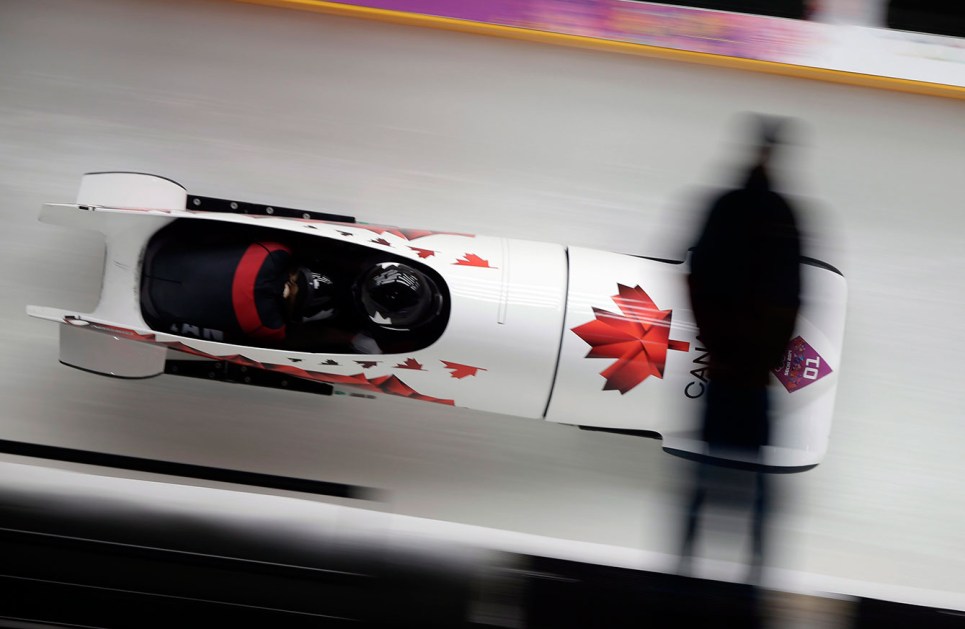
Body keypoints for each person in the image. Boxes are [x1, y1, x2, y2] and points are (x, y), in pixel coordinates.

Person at [678, 114, 802, 584]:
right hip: (751, 377)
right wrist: (766, 355)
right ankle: (753, 576)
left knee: (705, 477)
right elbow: (790, 294)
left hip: (728, 369)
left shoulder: (724, 206)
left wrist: (714, 340)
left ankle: (686, 572)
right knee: (756, 486)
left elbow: (697, 274)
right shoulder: (782, 215)